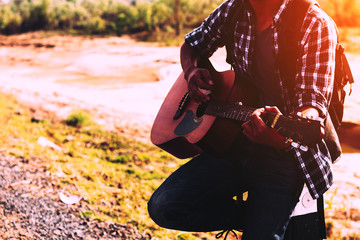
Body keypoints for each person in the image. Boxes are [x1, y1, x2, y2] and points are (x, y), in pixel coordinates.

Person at [148, 0, 338, 239]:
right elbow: (192, 45)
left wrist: (288, 132)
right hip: (233, 143)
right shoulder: (234, 9)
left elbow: (312, 102)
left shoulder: (314, 23)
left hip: (284, 154)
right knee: (164, 207)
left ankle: (267, 224)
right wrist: (191, 71)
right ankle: (264, 222)